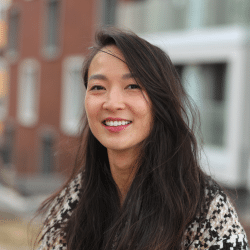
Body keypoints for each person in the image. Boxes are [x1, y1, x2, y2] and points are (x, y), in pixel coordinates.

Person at [35, 27, 248, 250]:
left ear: (160, 102)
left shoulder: (207, 214)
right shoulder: (74, 201)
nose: (112, 103)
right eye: (98, 87)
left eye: (133, 86)